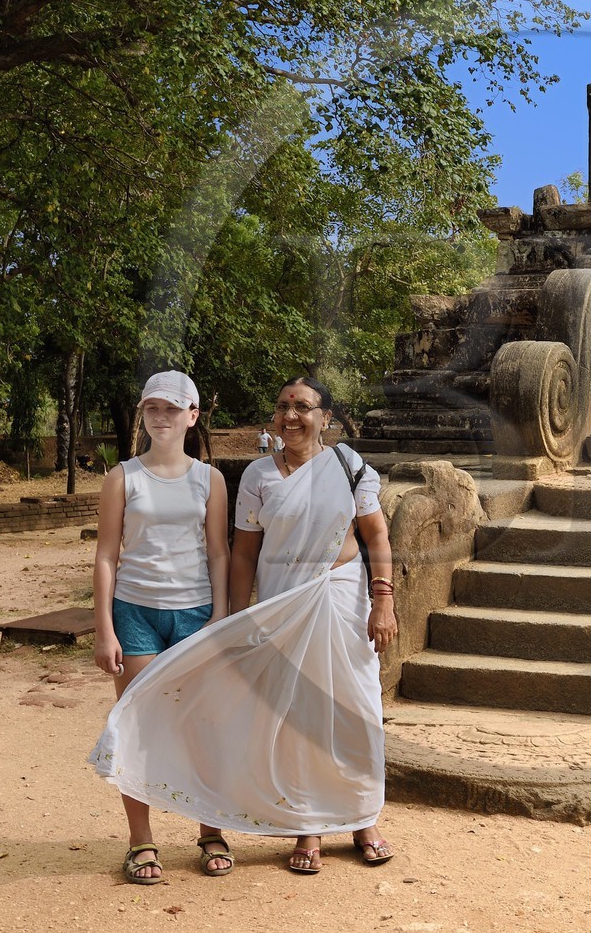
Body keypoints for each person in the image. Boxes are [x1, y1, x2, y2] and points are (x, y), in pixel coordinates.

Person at [89, 375, 398, 876]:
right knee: (293, 716)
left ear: (326, 417)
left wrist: (382, 600)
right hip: (276, 606)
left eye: (303, 406)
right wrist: (234, 618)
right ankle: (306, 825)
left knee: (354, 708)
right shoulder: (257, 475)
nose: (291, 416)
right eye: (282, 406)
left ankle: (364, 818)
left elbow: (376, 535)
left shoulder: (349, 466)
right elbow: (242, 554)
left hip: (340, 600)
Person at [90, 370, 233, 885]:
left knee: (202, 725)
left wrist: (220, 616)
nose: (162, 417)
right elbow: (107, 555)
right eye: (153, 408)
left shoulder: (209, 479)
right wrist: (104, 628)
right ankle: (141, 840)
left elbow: (218, 551)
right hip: (136, 612)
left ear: (193, 416)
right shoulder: (122, 476)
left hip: (195, 612)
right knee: (138, 724)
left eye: (173, 409)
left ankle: (210, 831)